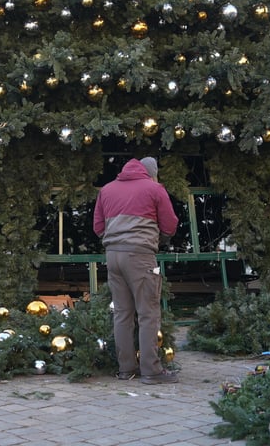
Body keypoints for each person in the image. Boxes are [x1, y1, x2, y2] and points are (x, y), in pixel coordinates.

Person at [93, 157, 179, 384]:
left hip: (113, 256)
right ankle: (151, 371)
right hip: (140, 256)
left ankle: (126, 369)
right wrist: (159, 238)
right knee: (148, 314)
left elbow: (98, 227)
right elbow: (170, 224)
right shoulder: (154, 189)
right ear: (152, 173)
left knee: (122, 314)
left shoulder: (107, 190)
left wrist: (115, 240)